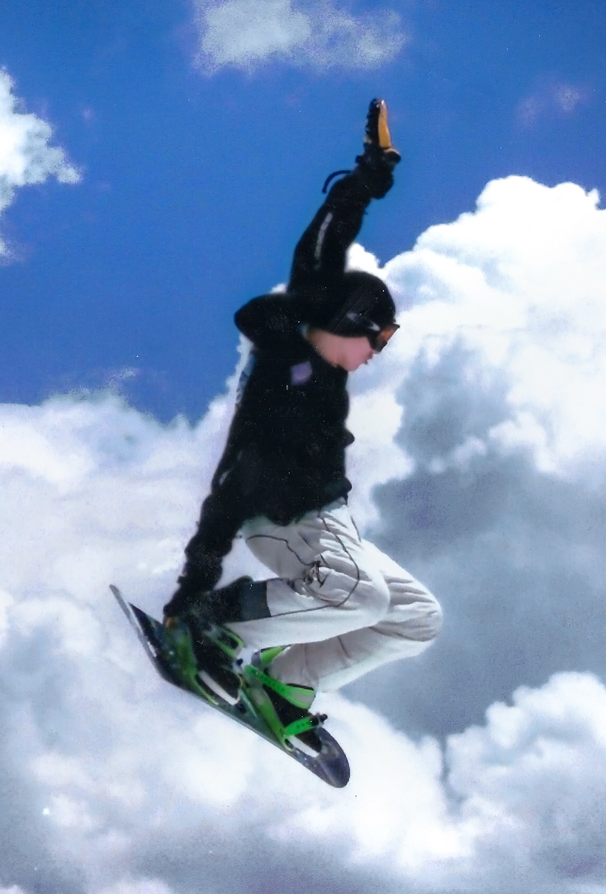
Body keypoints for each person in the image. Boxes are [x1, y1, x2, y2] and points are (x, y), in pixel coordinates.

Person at [161, 99, 442, 756]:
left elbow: (329, 237)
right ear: (348, 322)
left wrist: (369, 176)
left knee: (415, 618)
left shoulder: (326, 353)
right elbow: (230, 483)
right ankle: (213, 629)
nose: (378, 352)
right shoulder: (286, 359)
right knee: (360, 596)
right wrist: (194, 587)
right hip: (281, 516)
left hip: (328, 520)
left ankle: (285, 686)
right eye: (378, 338)